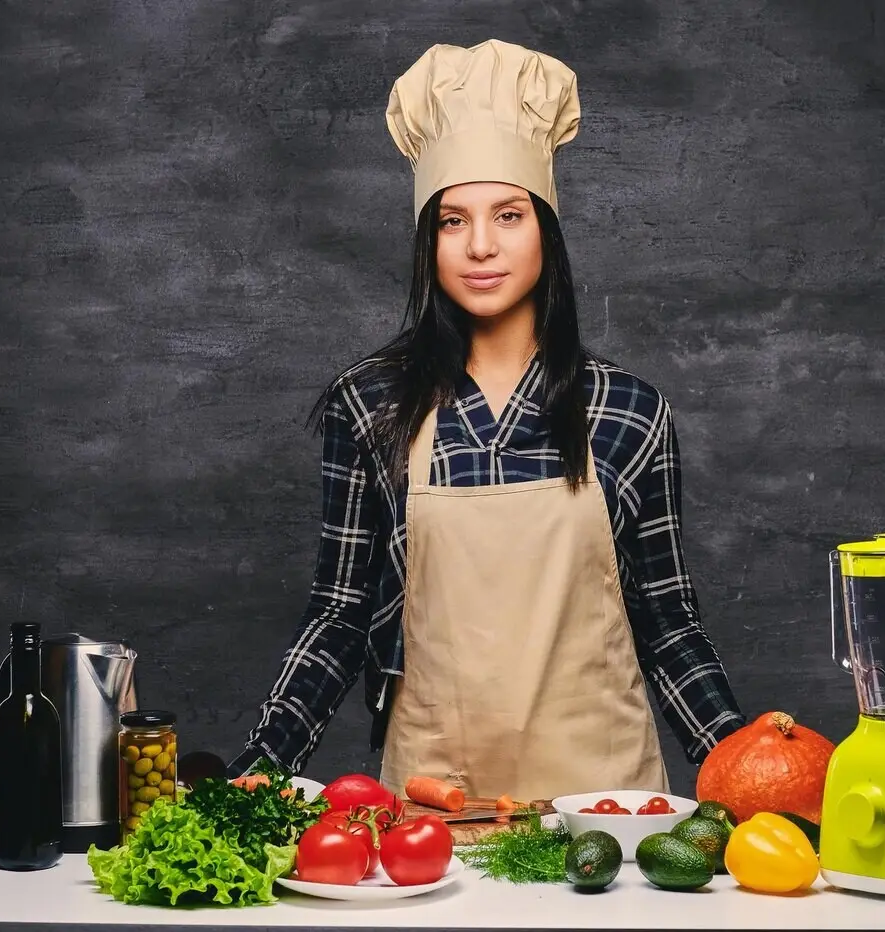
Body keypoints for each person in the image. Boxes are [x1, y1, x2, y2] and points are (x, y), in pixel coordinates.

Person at [229, 39, 747, 801]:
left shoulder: (629, 413)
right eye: (451, 221)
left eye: (508, 215)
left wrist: (751, 768)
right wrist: (259, 770)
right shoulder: (372, 404)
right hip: (431, 821)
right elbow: (339, 618)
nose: (480, 247)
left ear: (546, 229)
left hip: (605, 819)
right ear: (426, 241)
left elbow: (668, 627)